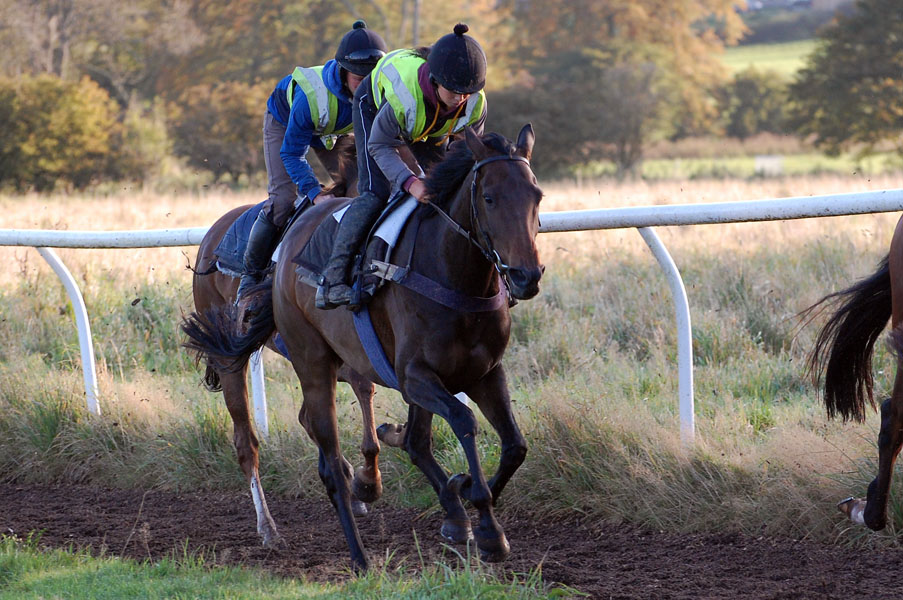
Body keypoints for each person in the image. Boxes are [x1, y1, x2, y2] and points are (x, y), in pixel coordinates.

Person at [316, 23, 488, 309]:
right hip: (375, 109)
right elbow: (379, 145)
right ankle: (332, 281)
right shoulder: (405, 97)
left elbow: (463, 158)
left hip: (426, 124)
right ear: (435, 80)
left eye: (467, 92)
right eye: (454, 90)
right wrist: (410, 182)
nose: (461, 99)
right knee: (375, 193)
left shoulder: (475, 103)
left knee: (445, 193)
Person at [236, 20, 388, 301]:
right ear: (343, 73)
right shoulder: (310, 100)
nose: (366, 86)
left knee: (365, 187)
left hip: (334, 128)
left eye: (371, 78)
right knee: (283, 201)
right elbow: (291, 153)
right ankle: (250, 275)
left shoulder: (377, 90)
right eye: (359, 79)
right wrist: (315, 194)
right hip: (285, 121)